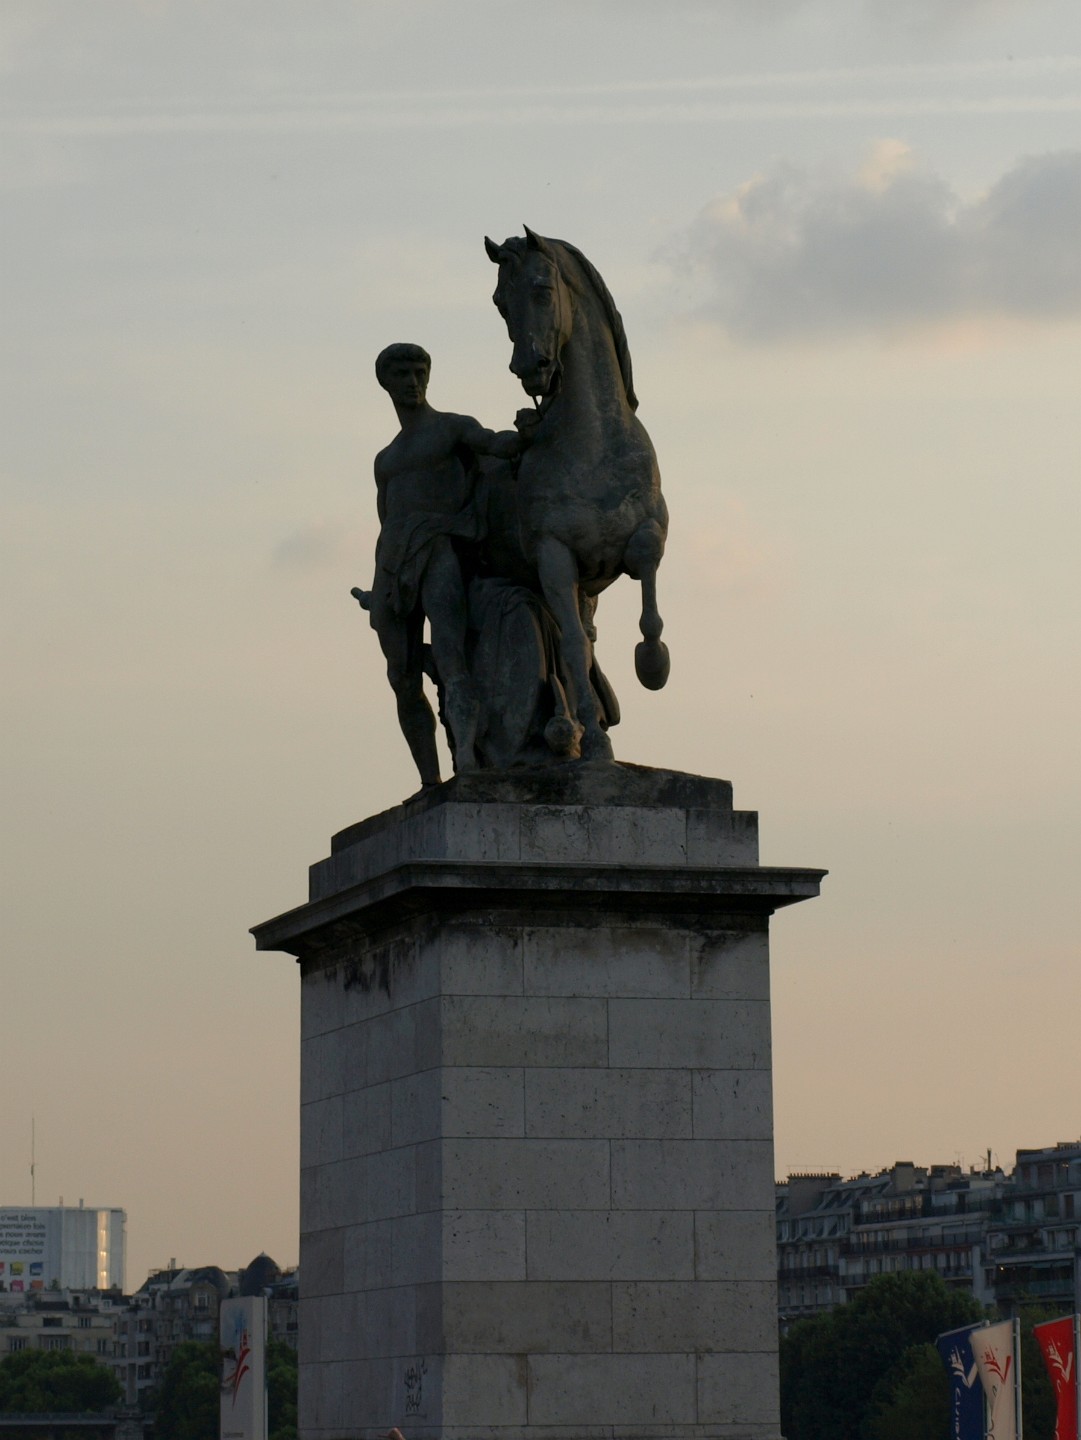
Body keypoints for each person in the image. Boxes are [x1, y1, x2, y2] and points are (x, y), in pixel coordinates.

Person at [359, 342, 521, 787]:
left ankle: (467, 762)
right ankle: (430, 782)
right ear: (385, 383)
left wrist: (530, 431)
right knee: (402, 678)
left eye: (418, 372)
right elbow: (386, 522)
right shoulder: (385, 460)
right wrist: (378, 587)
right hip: (394, 564)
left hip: (440, 550)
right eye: (403, 374)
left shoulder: (451, 428)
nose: (412, 382)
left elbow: (495, 444)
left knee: (451, 657)